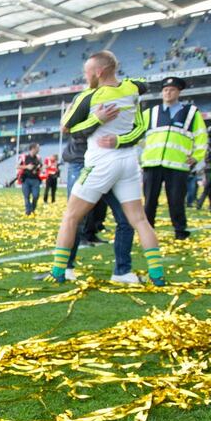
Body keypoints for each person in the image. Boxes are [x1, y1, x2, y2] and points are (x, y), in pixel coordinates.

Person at [44, 50, 166, 286]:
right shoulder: (132, 89)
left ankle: (59, 270)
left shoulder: (89, 96)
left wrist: (97, 119)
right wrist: (120, 140)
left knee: (71, 216)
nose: (85, 76)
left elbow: (66, 127)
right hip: (129, 161)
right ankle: (157, 274)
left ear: (98, 72)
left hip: (101, 161)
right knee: (139, 220)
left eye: (87, 72)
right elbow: (141, 126)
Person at [56, 89, 138, 284]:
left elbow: (135, 131)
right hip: (83, 162)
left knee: (125, 218)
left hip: (111, 163)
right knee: (76, 217)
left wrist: (120, 139)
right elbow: (68, 129)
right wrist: (97, 119)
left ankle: (122, 271)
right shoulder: (84, 99)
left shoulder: (122, 97)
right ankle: (65, 267)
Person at [140, 76, 208, 240]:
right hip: (152, 162)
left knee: (177, 200)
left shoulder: (191, 113)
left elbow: (201, 136)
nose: (168, 93)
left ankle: (180, 230)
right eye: (165, 90)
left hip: (178, 164)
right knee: (149, 200)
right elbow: (137, 134)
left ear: (178, 92)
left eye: (172, 90)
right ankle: (147, 230)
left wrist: (197, 156)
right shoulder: (150, 112)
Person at [196, 127, 211, 210]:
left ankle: (210, 204)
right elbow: (209, 158)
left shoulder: (208, 144)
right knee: (208, 187)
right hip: (209, 168)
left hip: (210, 168)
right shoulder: (208, 147)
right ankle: (199, 204)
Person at [18, 143, 42, 215]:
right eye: (37, 148)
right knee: (26, 196)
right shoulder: (24, 157)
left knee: (36, 195)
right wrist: (27, 167)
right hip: (26, 179)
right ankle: (28, 211)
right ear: (33, 149)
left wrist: (39, 168)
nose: (39, 150)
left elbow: (41, 166)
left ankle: (32, 208)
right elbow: (17, 166)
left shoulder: (38, 158)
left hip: (35, 179)